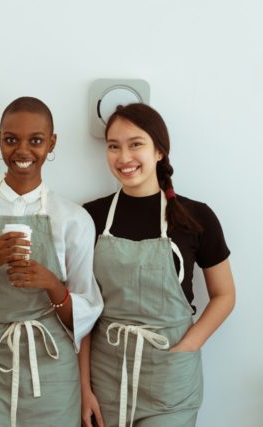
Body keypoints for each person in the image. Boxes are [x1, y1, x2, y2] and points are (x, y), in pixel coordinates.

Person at [0, 96, 103, 427]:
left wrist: (52, 285)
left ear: (52, 142)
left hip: (53, 369)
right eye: (11, 140)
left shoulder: (73, 218)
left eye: (36, 140)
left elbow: (85, 313)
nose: (23, 151)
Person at [79, 103, 236, 427]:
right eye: (114, 146)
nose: (124, 158)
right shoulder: (90, 217)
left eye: (135, 144)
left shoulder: (196, 217)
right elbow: (83, 309)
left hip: (170, 381)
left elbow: (224, 294)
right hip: (105, 376)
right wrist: (83, 388)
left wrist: (189, 346)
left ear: (159, 151)